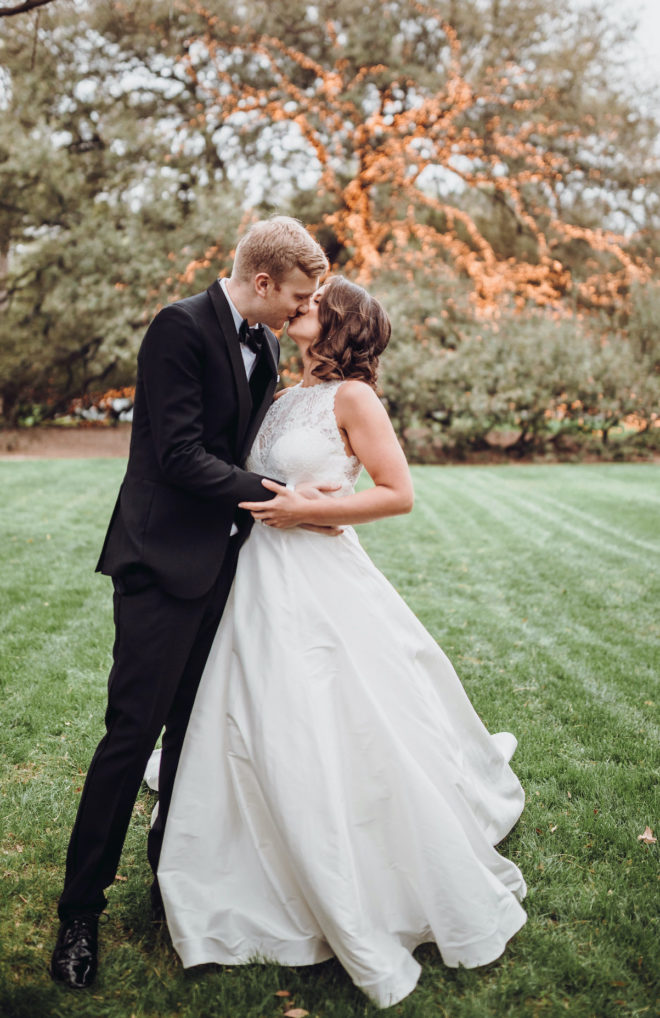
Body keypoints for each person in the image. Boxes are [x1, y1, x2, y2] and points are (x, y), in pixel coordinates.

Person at [156, 277, 528, 1009]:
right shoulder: (283, 393)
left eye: (317, 300)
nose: (302, 304)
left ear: (343, 323)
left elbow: (398, 492)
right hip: (256, 575)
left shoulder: (354, 398)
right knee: (251, 710)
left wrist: (311, 510)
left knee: (327, 708)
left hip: (318, 576)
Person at [50, 216, 330, 989]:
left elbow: (238, 444)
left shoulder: (265, 343)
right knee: (131, 734)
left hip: (223, 567)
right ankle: (80, 912)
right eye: (297, 295)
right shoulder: (178, 327)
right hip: (158, 562)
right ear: (263, 281)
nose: (299, 310)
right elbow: (175, 454)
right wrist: (280, 494)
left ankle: (168, 877)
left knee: (193, 733)